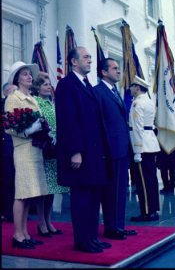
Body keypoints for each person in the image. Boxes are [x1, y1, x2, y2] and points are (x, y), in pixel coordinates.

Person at [55, 47, 111, 253]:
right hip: (80, 152)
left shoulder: (87, 84)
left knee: (94, 196)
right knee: (82, 198)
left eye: (90, 57)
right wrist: (75, 151)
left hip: (95, 152)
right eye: (86, 57)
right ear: (73, 62)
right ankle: (82, 241)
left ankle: (92, 237)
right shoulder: (66, 85)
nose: (90, 60)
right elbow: (68, 120)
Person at [5, 61, 48, 249]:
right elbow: (10, 127)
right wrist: (30, 130)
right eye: (24, 74)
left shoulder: (31, 97)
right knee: (22, 194)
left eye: (29, 74)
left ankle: (26, 233)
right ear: (17, 78)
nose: (29, 76)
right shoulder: (13, 98)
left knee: (29, 194)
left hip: (35, 149)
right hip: (23, 149)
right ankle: (17, 235)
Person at [94, 58, 137, 240]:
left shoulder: (114, 91)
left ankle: (119, 225)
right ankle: (111, 227)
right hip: (110, 150)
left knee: (121, 189)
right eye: (114, 68)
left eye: (119, 68)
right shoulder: (98, 92)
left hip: (122, 148)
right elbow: (99, 122)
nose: (118, 71)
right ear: (104, 72)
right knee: (111, 190)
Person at [31, 72, 69, 237]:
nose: (48, 87)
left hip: (56, 149)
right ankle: (41, 224)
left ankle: (49, 221)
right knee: (44, 189)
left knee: (53, 188)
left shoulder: (52, 103)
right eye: (44, 84)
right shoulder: (36, 102)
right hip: (43, 148)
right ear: (38, 88)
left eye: (49, 84)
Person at [129, 76, 160, 221]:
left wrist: (137, 150)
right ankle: (153, 209)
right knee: (151, 179)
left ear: (137, 87)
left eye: (132, 86)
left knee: (143, 181)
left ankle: (147, 212)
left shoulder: (137, 103)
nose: (130, 88)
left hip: (142, 146)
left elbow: (137, 128)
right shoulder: (149, 102)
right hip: (151, 143)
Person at [1, 83, 17, 222]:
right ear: (6, 93)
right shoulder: (3, 105)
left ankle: (15, 211)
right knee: (7, 179)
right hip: (5, 147)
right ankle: (7, 211)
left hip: (17, 146)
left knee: (15, 181)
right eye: (13, 91)